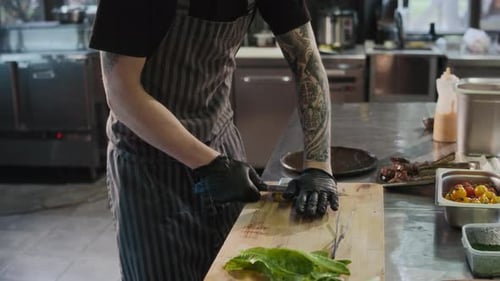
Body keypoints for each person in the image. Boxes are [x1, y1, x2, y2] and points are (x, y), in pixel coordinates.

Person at [89, 0, 338, 280]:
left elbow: (307, 62)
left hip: (221, 145)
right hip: (148, 164)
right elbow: (121, 92)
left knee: (236, 269)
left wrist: (317, 165)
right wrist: (209, 164)